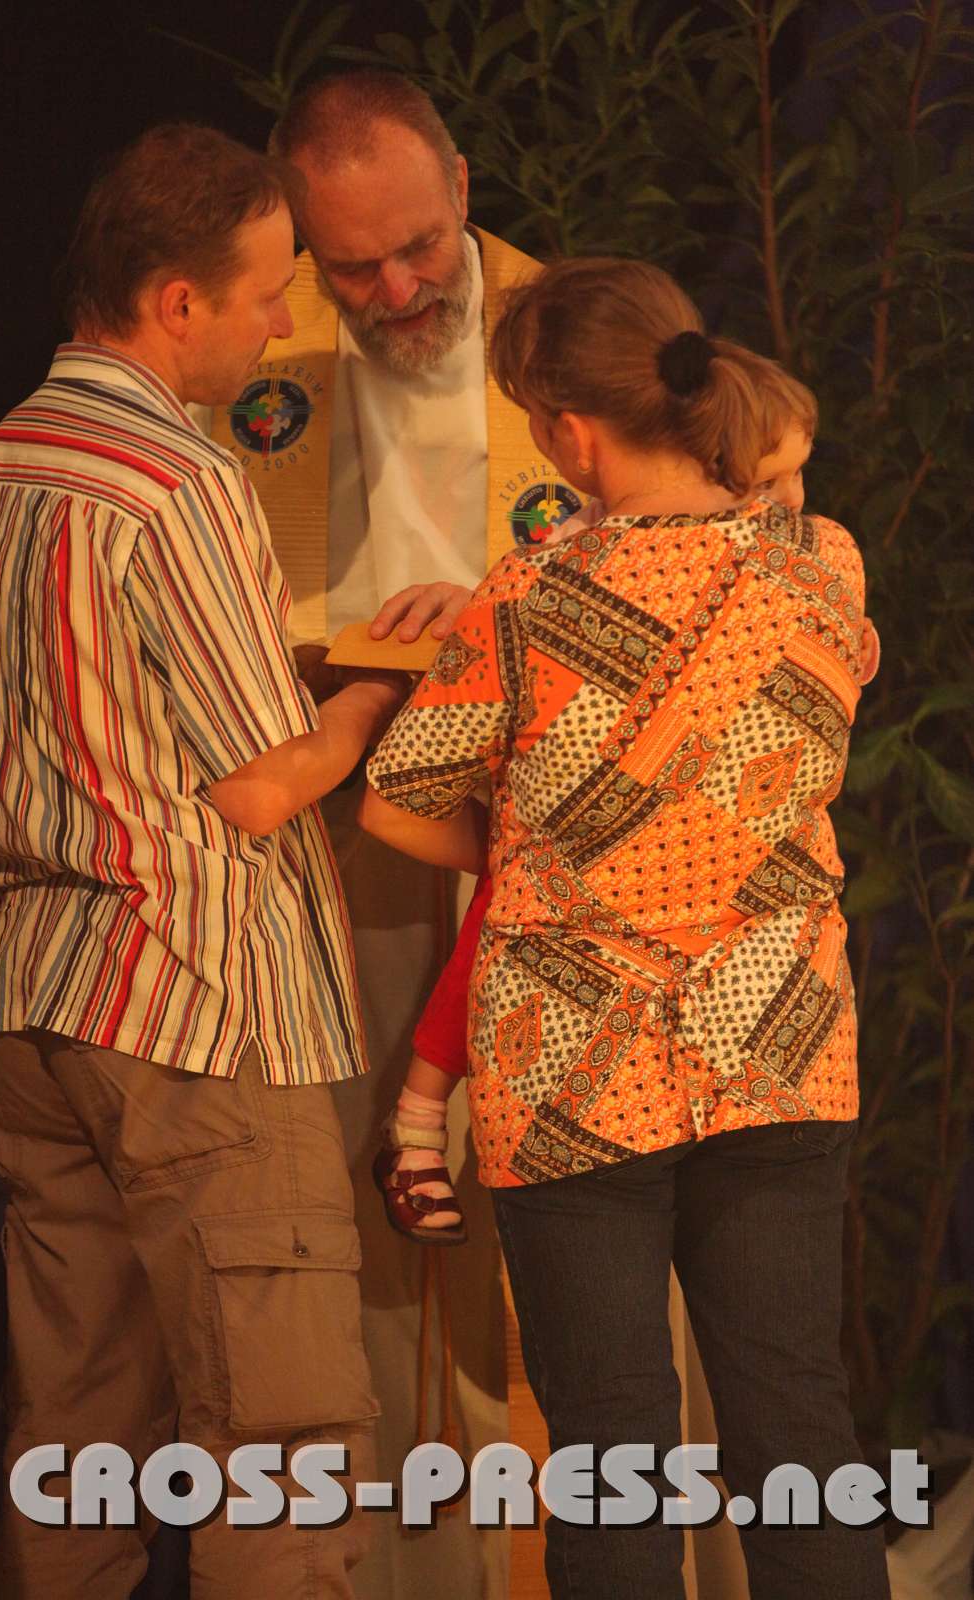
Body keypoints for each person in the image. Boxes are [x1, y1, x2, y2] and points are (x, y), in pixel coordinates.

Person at [0, 123, 411, 1600]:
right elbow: (263, 785)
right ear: (177, 301)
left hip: (40, 1002)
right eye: (265, 294)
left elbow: (111, 723)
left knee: (76, 1444)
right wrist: (379, 689)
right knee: (281, 1448)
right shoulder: (175, 479)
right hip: (195, 1009)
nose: (279, 324)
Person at [360, 256, 890, 1598]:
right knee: (797, 1430)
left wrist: (545, 854)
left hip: (567, 1067)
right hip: (773, 1039)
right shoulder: (821, 563)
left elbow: (395, 806)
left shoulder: (526, 596)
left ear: (567, 433)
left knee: (607, 1452)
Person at [202, 70, 588, 1597]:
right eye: (351, 265)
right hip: (357, 814)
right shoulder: (261, 343)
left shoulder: (582, 328)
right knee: (374, 1185)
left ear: (464, 184)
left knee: (570, 1213)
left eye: (418, 245)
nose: (395, 291)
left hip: (560, 828)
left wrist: (498, 622)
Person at [374, 400, 883, 1240]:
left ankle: (416, 1120)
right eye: (772, 479)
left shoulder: (808, 559)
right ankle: (416, 1119)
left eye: (798, 474)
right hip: (624, 995)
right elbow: (410, 792)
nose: (791, 498)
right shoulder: (565, 558)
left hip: (748, 1026)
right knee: (491, 916)